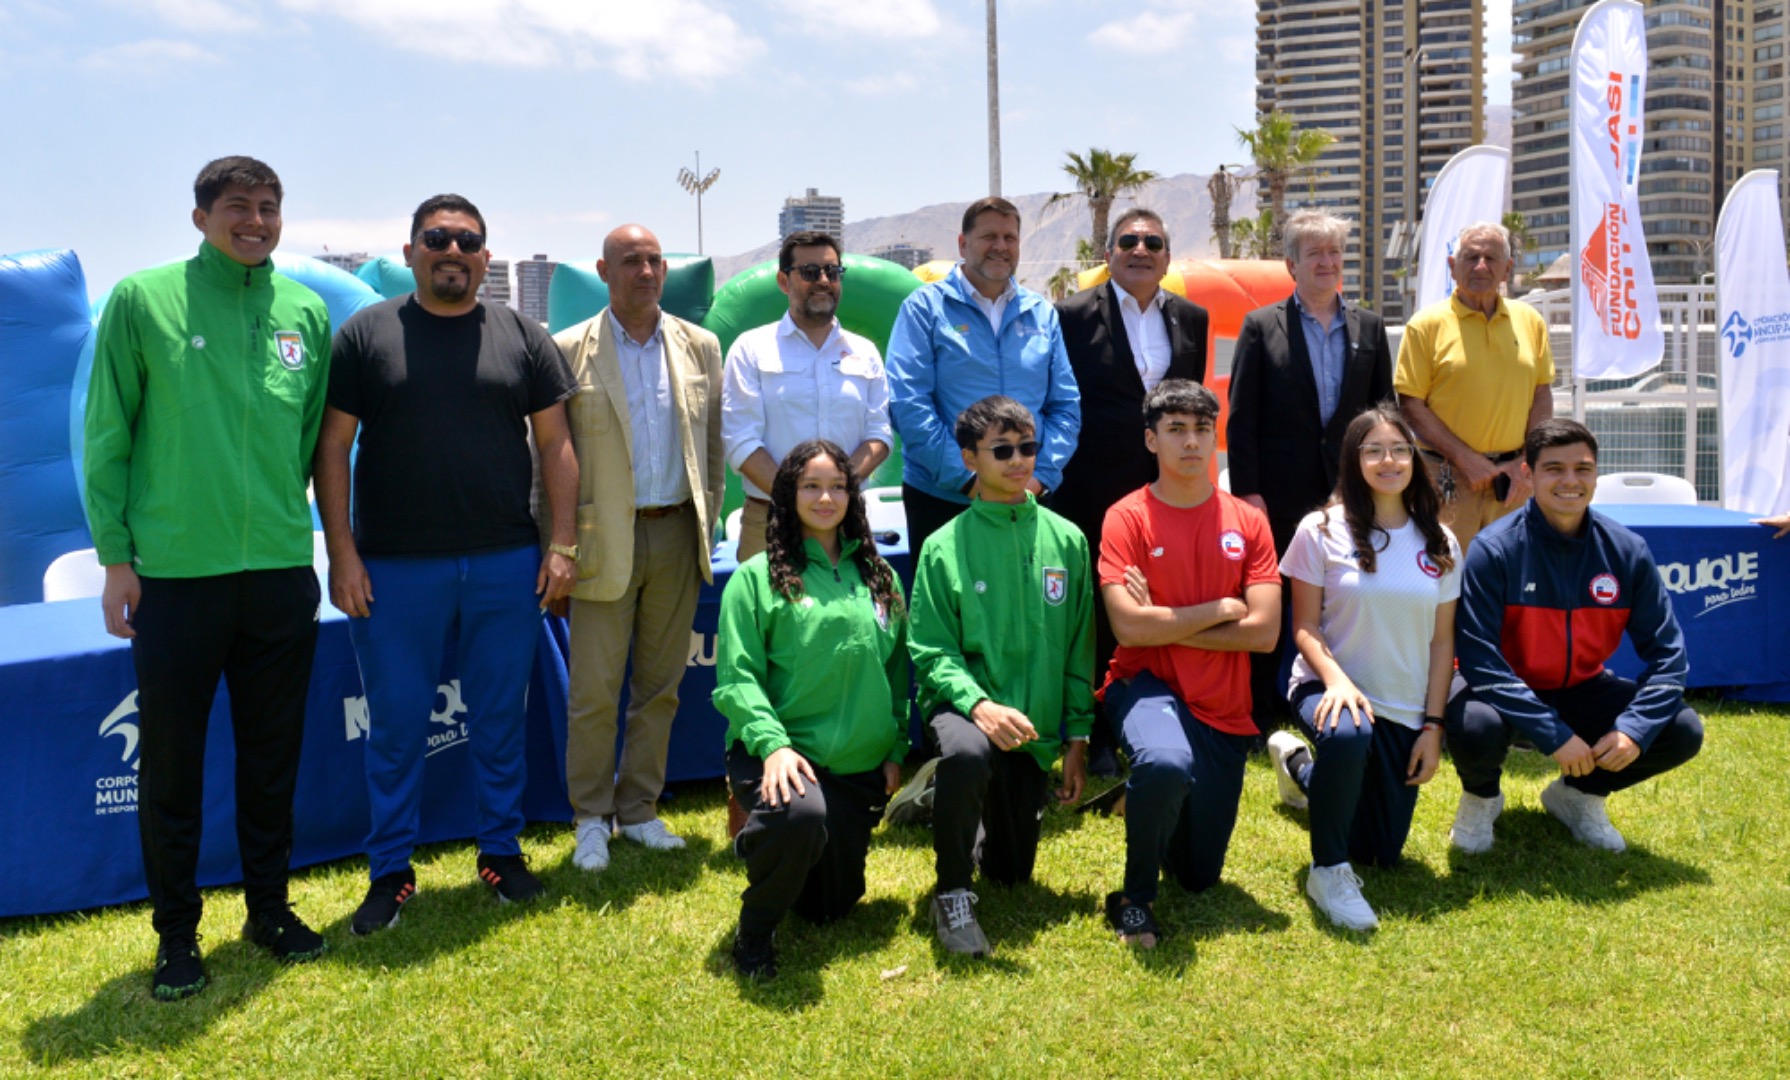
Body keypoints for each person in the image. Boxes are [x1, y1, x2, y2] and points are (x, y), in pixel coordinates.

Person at [83, 156, 332, 1000]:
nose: (255, 221)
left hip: (277, 575)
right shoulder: (142, 300)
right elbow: (107, 435)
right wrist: (117, 555)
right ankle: (176, 936)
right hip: (176, 580)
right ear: (200, 217)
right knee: (173, 770)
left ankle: (268, 910)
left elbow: (304, 443)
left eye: (269, 207)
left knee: (272, 761)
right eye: (237, 207)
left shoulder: (304, 310)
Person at [316, 194, 579, 932]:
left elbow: (556, 445)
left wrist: (563, 546)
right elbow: (331, 447)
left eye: (468, 241)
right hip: (396, 568)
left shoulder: (524, 335)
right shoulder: (366, 335)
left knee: (499, 719)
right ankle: (391, 872)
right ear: (410, 252)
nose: (453, 251)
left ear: (486, 258)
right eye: (438, 238)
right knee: (398, 728)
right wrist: (343, 553)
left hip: (505, 561)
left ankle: (501, 852)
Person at [1445, 419, 1705, 854]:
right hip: (1502, 688)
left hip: (1580, 686)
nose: (1570, 481)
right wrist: (1554, 736)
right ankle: (1481, 798)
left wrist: (1634, 730)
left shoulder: (1627, 551)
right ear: (1527, 474)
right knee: (1475, 725)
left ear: (1596, 475)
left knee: (1682, 728)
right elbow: (1479, 658)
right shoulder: (1495, 549)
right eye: (1554, 469)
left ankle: (1579, 795)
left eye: (1582, 469)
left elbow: (1670, 658)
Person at [555, 225, 725, 872]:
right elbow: (552, 461)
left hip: (676, 533)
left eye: (655, 260)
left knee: (661, 686)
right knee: (596, 689)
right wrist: (560, 545)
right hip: (604, 541)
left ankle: (641, 810)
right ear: (604, 270)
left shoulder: (699, 346)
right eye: (631, 261)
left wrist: (703, 530)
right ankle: (592, 817)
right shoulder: (570, 350)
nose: (646, 271)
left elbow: (710, 450)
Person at [713, 439, 909, 979]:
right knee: (801, 816)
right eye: (811, 486)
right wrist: (773, 747)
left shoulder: (880, 578)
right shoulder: (754, 580)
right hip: (781, 756)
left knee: (830, 908)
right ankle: (754, 931)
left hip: (855, 766)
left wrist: (894, 749)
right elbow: (737, 680)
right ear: (787, 494)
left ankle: (763, 839)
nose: (827, 498)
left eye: (838, 486)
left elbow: (896, 674)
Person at [907, 396, 1093, 957]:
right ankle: (952, 893)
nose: (1019, 461)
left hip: (1030, 727)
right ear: (970, 457)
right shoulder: (943, 546)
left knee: (1012, 875)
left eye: (1028, 447)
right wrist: (979, 705)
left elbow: (1080, 647)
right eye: (1003, 450)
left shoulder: (1069, 540)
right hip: (964, 709)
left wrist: (1077, 738)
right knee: (967, 753)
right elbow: (930, 650)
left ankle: (948, 798)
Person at [1099, 379, 1280, 948]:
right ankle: (1134, 900)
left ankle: (1147, 795)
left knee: (1199, 877)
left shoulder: (1248, 521)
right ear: (1151, 440)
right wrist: (1218, 610)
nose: (1192, 442)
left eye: (1203, 428)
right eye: (1176, 429)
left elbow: (1265, 633)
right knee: (1166, 761)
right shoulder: (1126, 518)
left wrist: (1168, 619)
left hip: (1223, 708)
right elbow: (1129, 627)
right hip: (1143, 683)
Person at [1264, 407, 1460, 931]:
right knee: (1349, 737)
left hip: (1403, 706)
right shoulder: (1319, 529)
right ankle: (1327, 874)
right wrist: (1337, 680)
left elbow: (1442, 643)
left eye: (1398, 449)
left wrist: (1433, 728)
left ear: (1415, 459)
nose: (1387, 460)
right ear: (1354, 461)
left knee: (1379, 851)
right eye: (1372, 450)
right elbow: (1303, 627)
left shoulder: (1441, 542)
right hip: (1326, 688)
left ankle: (1300, 768)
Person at [1054, 207, 1208, 774]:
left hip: (1166, 489)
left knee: (1164, 595)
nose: (1140, 250)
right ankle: (1093, 733)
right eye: (1128, 241)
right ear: (1110, 253)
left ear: (1167, 256)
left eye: (1153, 242)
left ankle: (1167, 713)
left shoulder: (1193, 318)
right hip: (1091, 487)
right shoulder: (1069, 316)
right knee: (1100, 605)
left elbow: (1190, 409)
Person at [1228, 210, 1395, 729]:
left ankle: (1342, 694)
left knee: (1348, 593)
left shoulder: (1368, 326)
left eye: (1334, 253)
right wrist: (1249, 492)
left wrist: (1372, 482)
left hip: (1351, 489)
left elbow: (1383, 410)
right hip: (1278, 493)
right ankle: (1264, 707)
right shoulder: (1261, 326)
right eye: (1315, 253)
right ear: (1291, 264)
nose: (1327, 262)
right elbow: (1241, 416)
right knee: (1273, 596)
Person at [887, 197, 1081, 557]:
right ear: (963, 244)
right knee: (949, 611)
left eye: (1010, 237)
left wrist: (1040, 478)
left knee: (1027, 609)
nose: (1000, 247)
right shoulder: (923, 309)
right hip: (944, 499)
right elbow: (908, 405)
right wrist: (968, 481)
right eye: (989, 236)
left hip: (1026, 499)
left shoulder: (1041, 314)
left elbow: (1066, 407)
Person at [721, 231, 892, 562]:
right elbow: (741, 441)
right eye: (810, 272)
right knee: (766, 613)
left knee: (847, 613)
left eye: (832, 272)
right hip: (770, 520)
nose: (824, 281)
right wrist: (800, 498)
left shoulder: (865, 352)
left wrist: (831, 494)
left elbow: (879, 435)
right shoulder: (751, 349)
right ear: (784, 281)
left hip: (846, 522)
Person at [1395, 221, 1555, 551]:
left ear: (1507, 269)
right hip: (1447, 480)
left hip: (1514, 483)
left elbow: (1541, 393)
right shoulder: (1425, 325)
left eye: (1491, 258)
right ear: (1452, 266)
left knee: (1511, 583)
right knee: (1445, 581)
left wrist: (1528, 462)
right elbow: (1410, 405)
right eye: (1470, 257)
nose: (1480, 266)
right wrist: (1466, 460)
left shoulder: (1530, 321)